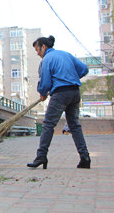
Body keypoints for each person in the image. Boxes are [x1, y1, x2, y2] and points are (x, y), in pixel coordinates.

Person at [27, 35, 91, 169]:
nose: (38, 54)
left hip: (61, 94)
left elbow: (44, 83)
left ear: (43, 47)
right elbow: (84, 69)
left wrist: (43, 93)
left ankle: (41, 156)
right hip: (74, 92)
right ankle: (85, 157)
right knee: (74, 125)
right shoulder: (66, 54)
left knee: (48, 124)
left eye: (38, 50)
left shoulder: (47, 59)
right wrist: (70, 78)